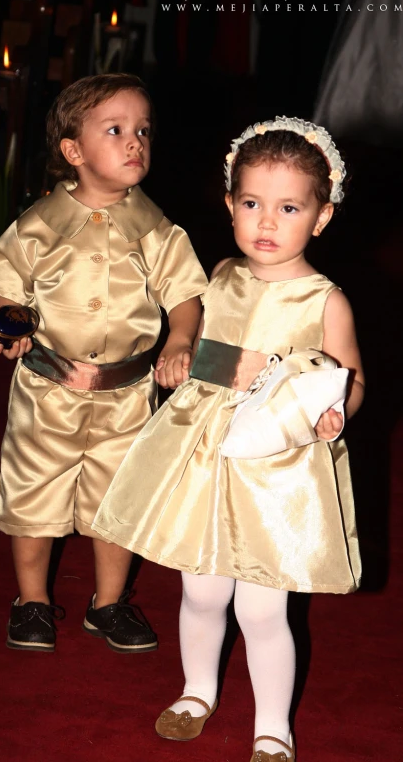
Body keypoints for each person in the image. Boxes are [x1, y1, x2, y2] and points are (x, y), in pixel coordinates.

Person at [93, 117, 364, 760]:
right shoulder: (219, 276)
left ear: (321, 218)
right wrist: (180, 354)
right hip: (208, 456)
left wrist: (340, 412)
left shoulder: (325, 301)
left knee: (263, 608)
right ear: (230, 205)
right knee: (202, 590)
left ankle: (273, 726)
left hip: (276, 466)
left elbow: (350, 378)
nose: (267, 222)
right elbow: (202, 344)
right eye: (251, 204)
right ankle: (197, 690)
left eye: (289, 207)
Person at [0, 74, 207, 655]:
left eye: (143, 131)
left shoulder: (155, 230)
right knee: (34, 496)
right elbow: (5, 287)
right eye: (116, 130)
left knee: (117, 500)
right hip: (48, 391)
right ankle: (30, 600)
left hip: (127, 396)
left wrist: (180, 338)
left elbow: (184, 294)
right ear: (73, 153)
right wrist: (9, 321)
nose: (135, 142)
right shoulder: (38, 226)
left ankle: (107, 603)